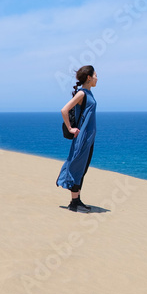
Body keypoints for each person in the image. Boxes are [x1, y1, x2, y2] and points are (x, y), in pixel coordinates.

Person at [56, 65, 97, 211]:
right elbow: (64, 110)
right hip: (83, 137)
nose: (97, 78)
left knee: (82, 168)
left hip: (88, 138)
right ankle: (74, 202)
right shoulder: (82, 94)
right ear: (89, 77)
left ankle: (76, 200)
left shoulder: (89, 94)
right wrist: (70, 128)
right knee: (77, 168)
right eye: (95, 75)